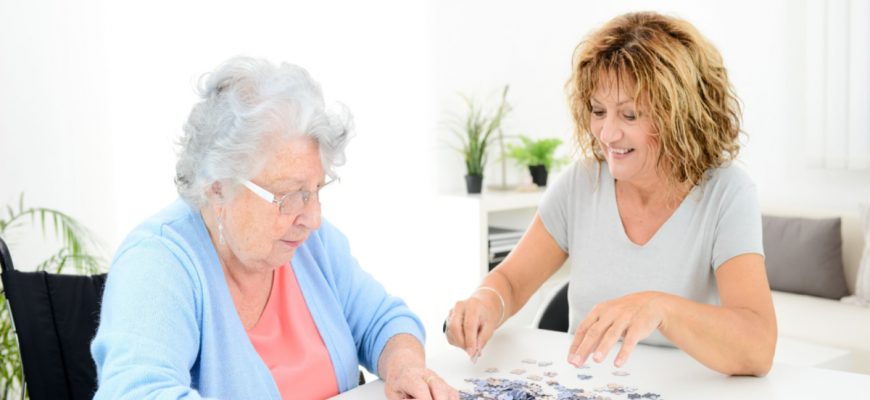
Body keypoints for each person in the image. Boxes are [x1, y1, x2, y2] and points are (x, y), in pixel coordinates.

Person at [91, 57, 457, 400]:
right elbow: (135, 393)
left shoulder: (312, 244)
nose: (312, 218)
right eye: (289, 195)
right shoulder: (157, 263)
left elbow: (385, 320)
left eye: (315, 190)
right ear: (218, 186)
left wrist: (405, 368)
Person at [445, 11, 777, 377]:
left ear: (681, 116)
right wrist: (485, 302)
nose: (607, 134)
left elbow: (758, 347)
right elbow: (510, 281)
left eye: (630, 115)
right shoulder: (581, 183)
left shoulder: (727, 194)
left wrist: (658, 308)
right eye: (599, 111)